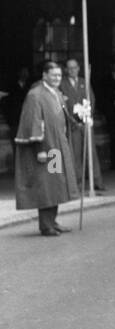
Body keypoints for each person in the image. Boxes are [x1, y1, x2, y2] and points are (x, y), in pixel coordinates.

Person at [14, 60, 79, 235]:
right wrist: (39, 149)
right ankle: (45, 225)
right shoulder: (35, 95)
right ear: (45, 75)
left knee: (55, 184)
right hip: (46, 148)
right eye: (54, 75)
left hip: (56, 147)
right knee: (46, 185)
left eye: (59, 75)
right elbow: (33, 122)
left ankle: (53, 221)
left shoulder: (56, 92)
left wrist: (80, 120)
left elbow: (63, 116)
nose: (57, 78)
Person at [59, 58, 105, 192]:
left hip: (85, 122)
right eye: (70, 68)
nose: (73, 70)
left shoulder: (85, 82)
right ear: (66, 70)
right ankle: (78, 184)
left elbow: (92, 99)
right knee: (76, 154)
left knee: (91, 152)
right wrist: (72, 119)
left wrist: (88, 114)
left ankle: (97, 181)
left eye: (75, 67)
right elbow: (62, 104)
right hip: (72, 124)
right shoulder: (62, 84)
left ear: (79, 68)